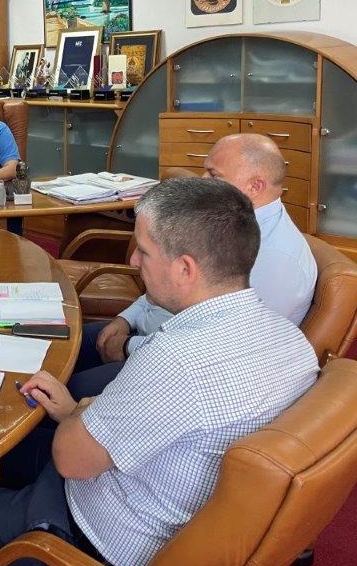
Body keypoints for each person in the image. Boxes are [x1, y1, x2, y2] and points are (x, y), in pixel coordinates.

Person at [0, 177, 319, 566]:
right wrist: (80, 410)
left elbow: (71, 459)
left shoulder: (176, 360)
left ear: (186, 268)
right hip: (134, 477)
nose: (134, 263)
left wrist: (83, 411)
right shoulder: (291, 339)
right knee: (7, 446)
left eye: (143, 251)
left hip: (87, 529)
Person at [72, 133, 316, 398]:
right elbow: (164, 280)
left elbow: (224, 350)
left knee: (66, 393)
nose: (202, 180)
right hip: (148, 336)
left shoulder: (276, 260)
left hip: (176, 367)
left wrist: (128, 346)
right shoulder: (221, 223)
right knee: (59, 345)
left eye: (214, 175)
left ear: (255, 187)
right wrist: (126, 318)